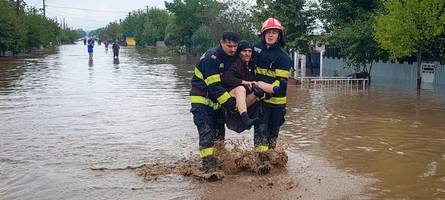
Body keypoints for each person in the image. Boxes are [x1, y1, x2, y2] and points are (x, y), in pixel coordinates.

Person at [190, 32, 239, 174]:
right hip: (201, 101)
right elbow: (214, 86)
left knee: (219, 134)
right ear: (221, 43)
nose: (232, 49)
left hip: (216, 103)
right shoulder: (211, 57)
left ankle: (220, 162)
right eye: (229, 46)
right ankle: (208, 168)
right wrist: (230, 104)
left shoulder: (231, 57)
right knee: (206, 132)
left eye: (235, 46)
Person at [253, 17, 292, 172]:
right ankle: (261, 165)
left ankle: (269, 161)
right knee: (260, 133)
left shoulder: (283, 57)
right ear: (263, 34)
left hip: (277, 104)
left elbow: (280, 87)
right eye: (268, 32)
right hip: (261, 102)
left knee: (272, 137)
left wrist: (263, 86)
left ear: (279, 35)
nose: (271, 35)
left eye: (274, 32)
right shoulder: (255, 49)